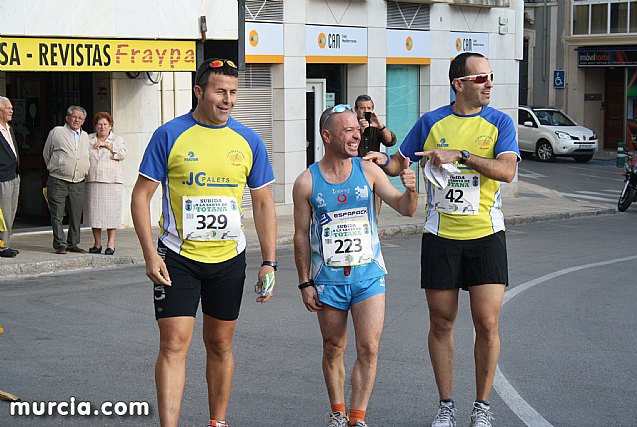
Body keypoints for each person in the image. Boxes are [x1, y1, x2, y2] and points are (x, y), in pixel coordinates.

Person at [364, 52, 520, 427]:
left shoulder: (500, 121)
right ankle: (446, 405)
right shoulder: (431, 121)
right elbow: (400, 161)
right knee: (442, 323)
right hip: (441, 236)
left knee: (487, 323)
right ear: (459, 83)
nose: (489, 84)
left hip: (486, 234)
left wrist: (463, 156)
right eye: (481, 78)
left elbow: (507, 171)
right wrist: (379, 161)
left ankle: (481, 406)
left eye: (490, 77)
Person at [131, 58, 277, 427]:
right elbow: (140, 196)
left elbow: (263, 202)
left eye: (232, 92)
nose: (227, 100)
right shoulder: (169, 134)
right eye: (219, 92)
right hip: (177, 256)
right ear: (199, 92)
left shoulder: (248, 140)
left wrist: (269, 262)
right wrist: (150, 254)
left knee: (220, 344)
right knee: (174, 343)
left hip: (229, 258)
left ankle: (218, 421)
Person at [292, 104, 418, 427]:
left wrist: (411, 189)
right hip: (328, 281)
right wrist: (305, 283)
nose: (356, 135)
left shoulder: (370, 171)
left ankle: (357, 418)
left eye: (357, 129)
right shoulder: (306, 182)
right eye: (347, 130)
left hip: (369, 276)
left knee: (370, 347)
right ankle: (338, 412)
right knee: (334, 346)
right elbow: (301, 237)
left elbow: (405, 209)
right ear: (327, 136)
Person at [43, 106, 91, 254]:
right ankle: (60, 244)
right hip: (58, 180)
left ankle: (73, 243)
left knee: (76, 214)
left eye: (80, 118)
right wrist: (58, 167)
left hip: (78, 181)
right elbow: (47, 153)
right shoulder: (57, 132)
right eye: (74, 117)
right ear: (67, 118)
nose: (76, 120)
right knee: (57, 214)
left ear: (83, 121)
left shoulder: (85, 136)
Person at [85, 112, 127, 255]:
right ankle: (97, 244)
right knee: (94, 214)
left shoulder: (117, 139)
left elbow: (122, 154)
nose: (102, 127)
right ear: (95, 126)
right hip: (93, 180)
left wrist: (106, 145)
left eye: (105, 124)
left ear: (110, 126)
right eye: (99, 124)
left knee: (111, 214)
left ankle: (111, 244)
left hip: (112, 182)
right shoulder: (88, 139)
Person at [354, 94, 397, 217]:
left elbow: (390, 141)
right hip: (357, 171)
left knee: (375, 208)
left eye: (369, 108)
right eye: (362, 108)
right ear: (356, 110)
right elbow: (349, 145)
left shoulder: (375, 125)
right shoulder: (352, 126)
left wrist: (381, 126)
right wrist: (360, 130)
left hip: (374, 172)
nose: (366, 111)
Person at [0, 96, 20, 258]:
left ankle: (6, 243)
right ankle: (1, 246)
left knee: (11, 211)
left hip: (14, 175)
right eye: (8, 108)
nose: (11, 110)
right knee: (3, 213)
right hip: (2, 178)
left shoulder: (9, 128)